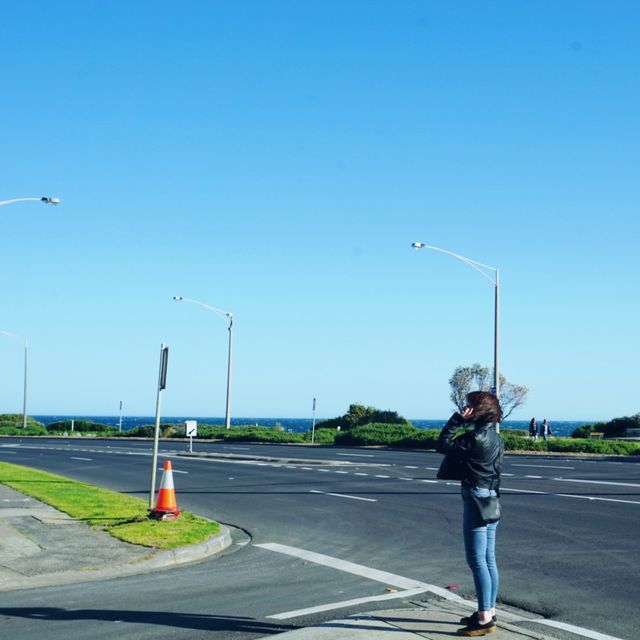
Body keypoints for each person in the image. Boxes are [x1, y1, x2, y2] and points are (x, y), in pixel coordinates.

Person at [437, 391, 504, 637]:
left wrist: (457, 419)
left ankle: (484, 617)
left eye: (470, 406)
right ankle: (490, 610)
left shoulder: (474, 438)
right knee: (488, 558)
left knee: (477, 560)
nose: (466, 408)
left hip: (475, 498)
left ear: (478, 411)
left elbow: (442, 444)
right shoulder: (497, 439)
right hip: (491, 499)